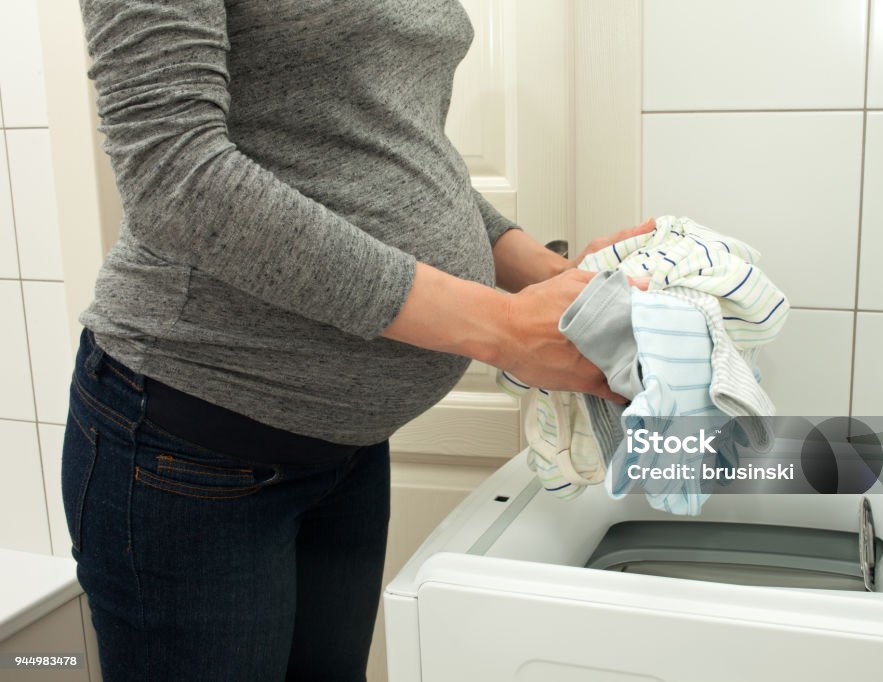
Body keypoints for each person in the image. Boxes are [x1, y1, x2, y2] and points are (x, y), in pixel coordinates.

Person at [62, 1, 652, 680]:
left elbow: (382, 147)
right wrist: (502, 328)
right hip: (193, 446)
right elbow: (175, 178)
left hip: (347, 451)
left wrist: (550, 275)